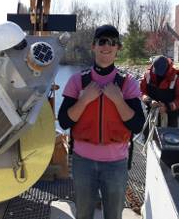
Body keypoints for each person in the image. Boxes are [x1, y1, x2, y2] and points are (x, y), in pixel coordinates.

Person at [57, 24, 145, 219]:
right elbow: (63, 121)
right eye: (102, 41)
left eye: (112, 42)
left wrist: (118, 99)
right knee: (83, 215)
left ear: (118, 48)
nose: (107, 46)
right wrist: (85, 99)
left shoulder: (127, 83)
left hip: (116, 164)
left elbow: (137, 125)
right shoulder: (77, 81)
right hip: (83, 163)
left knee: (113, 215)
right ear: (93, 46)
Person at [140, 55, 179, 127]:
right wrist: (149, 101)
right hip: (152, 115)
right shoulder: (148, 75)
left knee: (168, 136)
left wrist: (167, 107)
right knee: (150, 134)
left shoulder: (177, 78)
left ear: (167, 67)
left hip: (171, 117)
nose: (159, 74)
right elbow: (142, 92)